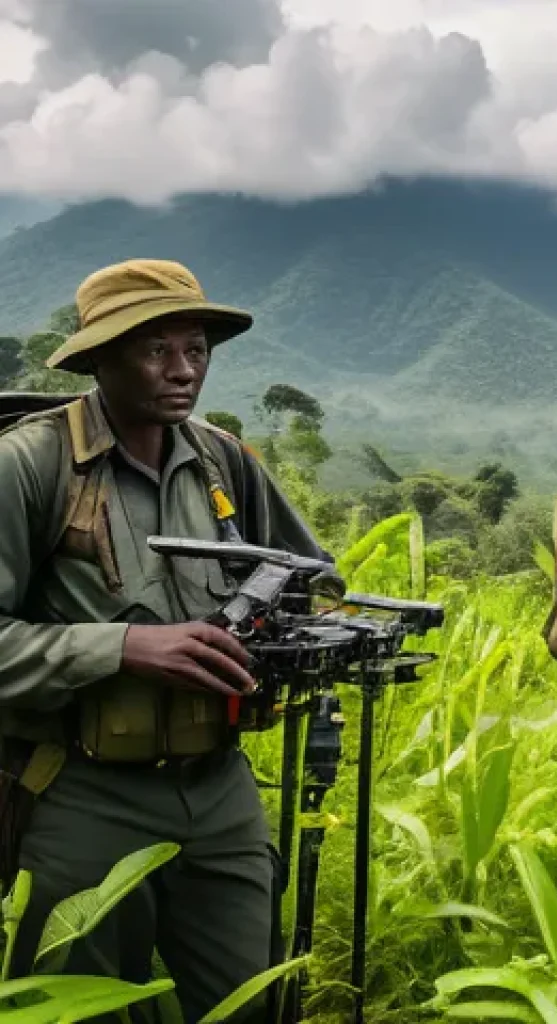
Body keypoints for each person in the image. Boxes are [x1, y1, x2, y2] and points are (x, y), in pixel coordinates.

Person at [0, 259, 331, 1022]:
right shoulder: (33, 465)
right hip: (82, 790)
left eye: (197, 350)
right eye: (156, 351)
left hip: (219, 788)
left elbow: (311, 574)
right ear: (98, 359)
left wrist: (282, 630)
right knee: (73, 1009)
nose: (184, 372)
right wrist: (120, 648)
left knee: (246, 998)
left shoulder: (221, 459)